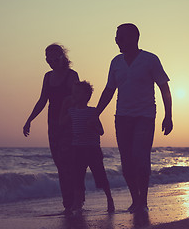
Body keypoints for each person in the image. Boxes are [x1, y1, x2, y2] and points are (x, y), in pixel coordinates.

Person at [95, 23, 173, 213]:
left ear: (134, 38)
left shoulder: (150, 59)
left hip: (145, 117)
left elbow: (164, 87)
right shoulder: (115, 62)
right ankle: (135, 199)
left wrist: (168, 116)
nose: (117, 40)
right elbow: (109, 90)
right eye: (116, 37)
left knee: (140, 157)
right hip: (122, 117)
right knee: (127, 161)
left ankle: (143, 200)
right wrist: (95, 114)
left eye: (120, 37)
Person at [23, 43, 79, 214]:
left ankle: (74, 201)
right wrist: (29, 119)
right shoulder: (47, 76)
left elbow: (78, 100)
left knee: (69, 162)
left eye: (55, 58)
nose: (52, 61)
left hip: (69, 124)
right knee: (60, 164)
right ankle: (68, 203)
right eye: (48, 59)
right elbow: (42, 100)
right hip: (53, 124)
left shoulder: (72, 75)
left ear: (63, 57)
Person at [60, 81, 115, 213]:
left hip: (92, 149)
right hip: (77, 148)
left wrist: (93, 126)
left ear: (86, 96)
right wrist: (64, 106)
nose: (74, 95)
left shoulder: (93, 112)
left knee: (100, 175)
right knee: (77, 176)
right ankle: (77, 203)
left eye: (77, 93)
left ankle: (109, 198)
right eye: (73, 92)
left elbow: (101, 131)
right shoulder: (71, 111)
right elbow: (61, 123)